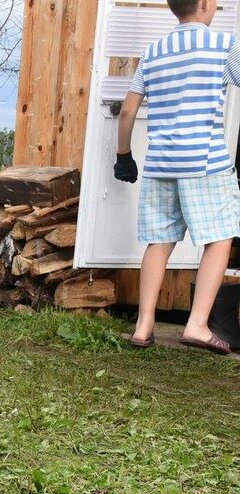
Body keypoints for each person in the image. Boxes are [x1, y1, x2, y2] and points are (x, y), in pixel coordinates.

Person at [115, 0, 240, 354]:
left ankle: (143, 325)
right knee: (219, 238)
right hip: (206, 163)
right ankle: (197, 325)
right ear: (203, 4)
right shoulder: (223, 44)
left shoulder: (154, 51)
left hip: (160, 164)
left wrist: (124, 156)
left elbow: (127, 111)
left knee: (159, 240)